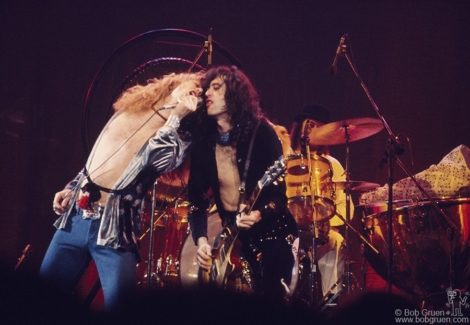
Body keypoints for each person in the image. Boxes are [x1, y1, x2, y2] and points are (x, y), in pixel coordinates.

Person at [39, 71, 204, 313]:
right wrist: (72, 187)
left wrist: (176, 118)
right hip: (75, 219)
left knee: (123, 310)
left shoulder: (182, 135)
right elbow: (100, 157)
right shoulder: (133, 108)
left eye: (201, 93)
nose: (197, 92)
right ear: (174, 84)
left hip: (116, 230)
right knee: (41, 302)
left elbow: (156, 160)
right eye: (194, 85)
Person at [187, 66, 297, 302]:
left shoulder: (263, 134)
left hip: (272, 235)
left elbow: (279, 198)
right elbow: (196, 202)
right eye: (207, 88)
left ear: (235, 95)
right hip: (233, 238)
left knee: (269, 307)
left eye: (216, 88)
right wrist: (202, 242)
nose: (208, 93)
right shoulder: (204, 143)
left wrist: (257, 214)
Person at [284, 104, 354, 301]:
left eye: (321, 128)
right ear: (300, 127)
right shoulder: (283, 155)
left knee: (337, 242)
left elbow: (345, 207)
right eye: (311, 125)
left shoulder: (332, 164)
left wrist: (326, 224)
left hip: (319, 231)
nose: (315, 131)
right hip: (286, 230)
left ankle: (330, 303)